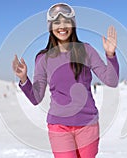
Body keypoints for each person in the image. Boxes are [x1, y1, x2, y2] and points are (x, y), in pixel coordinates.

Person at [12, 3, 119, 158]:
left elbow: (111, 80)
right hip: (59, 126)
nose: (62, 26)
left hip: (87, 124)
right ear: (50, 27)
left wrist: (111, 55)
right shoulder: (43, 58)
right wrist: (23, 79)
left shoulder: (86, 50)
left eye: (66, 21)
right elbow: (36, 98)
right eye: (56, 23)